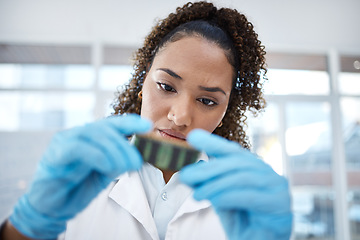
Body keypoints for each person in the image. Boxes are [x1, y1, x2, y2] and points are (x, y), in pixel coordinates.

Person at [0, 1, 292, 239]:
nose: (179, 116)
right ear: (142, 83)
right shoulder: (83, 176)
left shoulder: (243, 202)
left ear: (225, 111)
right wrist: (26, 227)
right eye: (166, 87)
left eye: (207, 101)